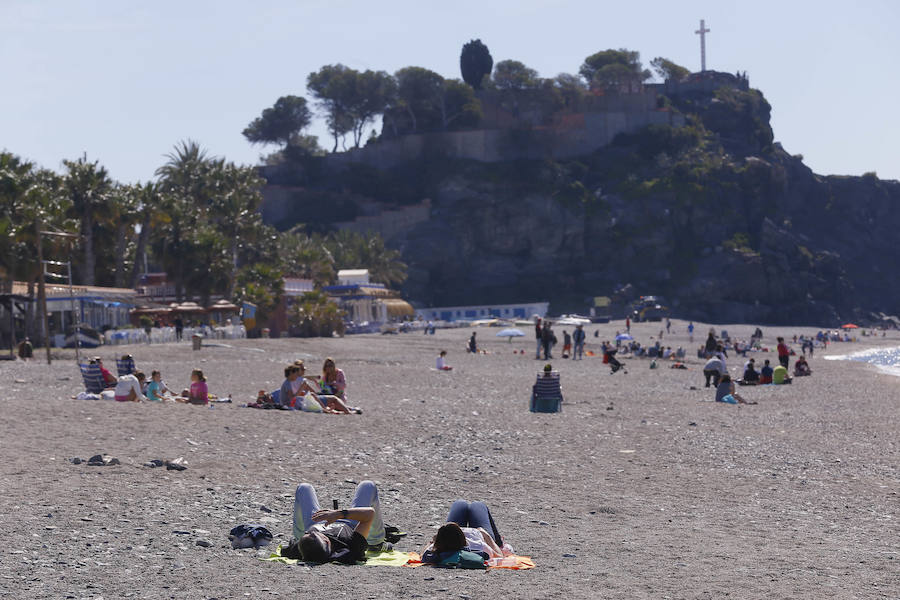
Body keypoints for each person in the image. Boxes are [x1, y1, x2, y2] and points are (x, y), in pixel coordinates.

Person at [290, 480, 385, 563]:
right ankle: (375, 542)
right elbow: (370, 513)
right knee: (368, 485)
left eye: (306, 534)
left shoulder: (300, 548)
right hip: (350, 524)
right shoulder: (350, 544)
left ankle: (300, 534)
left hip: (316, 522)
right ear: (326, 541)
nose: (310, 532)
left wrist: (307, 533)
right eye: (313, 534)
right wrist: (338, 514)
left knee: (303, 487)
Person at [421, 500, 508, 565]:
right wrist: (486, 536)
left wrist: (431, 542)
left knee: (460, 504)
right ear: (463, 538)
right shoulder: (478, 545)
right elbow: (500, 556)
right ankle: (499, 541)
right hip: (478, 534)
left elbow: (422, 555)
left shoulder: (434, 550)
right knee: (477, 505)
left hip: (451, 535)